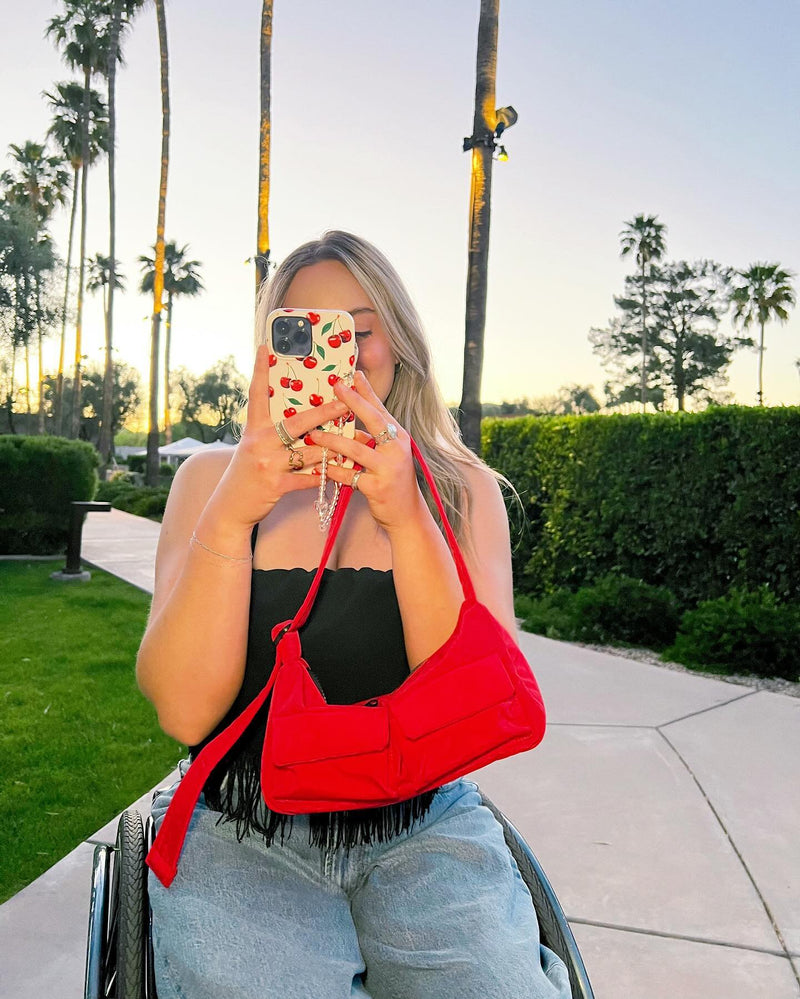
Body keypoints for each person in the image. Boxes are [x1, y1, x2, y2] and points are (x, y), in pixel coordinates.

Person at [137, 230, 570, 999]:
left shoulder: (461, 491)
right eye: (303, 330)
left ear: (397, 341)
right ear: (273, 349)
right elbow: (182, 708)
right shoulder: (210, 479)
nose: (336, 353)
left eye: (359, 329)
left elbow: (471, 708)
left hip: (424, 825)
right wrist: (235, 512)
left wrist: (409, 519)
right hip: (240, 827)